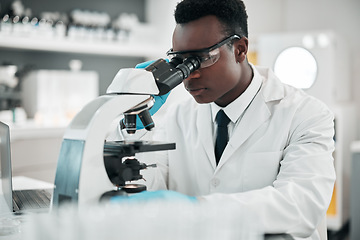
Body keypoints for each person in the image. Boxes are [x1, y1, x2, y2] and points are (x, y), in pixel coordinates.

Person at [114, 0, 336, 239]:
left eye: (201, 59)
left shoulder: (307, 115)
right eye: (181, 62)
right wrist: (130, 125)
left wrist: (196, 209)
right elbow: (147, 192)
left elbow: (300, 206)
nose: (190, 76)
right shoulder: (176, 118)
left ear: (240, 49)